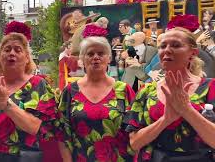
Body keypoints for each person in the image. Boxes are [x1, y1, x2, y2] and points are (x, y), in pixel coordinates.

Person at [125, 27, 215, 162]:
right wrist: (165, 120)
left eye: (176, 45)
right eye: (162, 46)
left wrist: (187, 110)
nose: (167, 50)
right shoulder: (146, 91)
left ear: (193, 52)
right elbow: (134, 143)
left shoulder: (210, 87)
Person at [0, 32, 59, 162]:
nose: (11, 53)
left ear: (27, 58)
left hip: (23, 157)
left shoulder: (37, 84)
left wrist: (6, 104)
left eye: (17, 50)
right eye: (7, 50)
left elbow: (35, 127)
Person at [57, 36, 136, 162]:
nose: (96, 57)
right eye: (90, 54)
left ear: (109, 58)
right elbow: (62, 135)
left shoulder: (123, 90)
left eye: (101, 53)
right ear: (82, 59)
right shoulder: (70, 91)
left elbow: (135, 132)